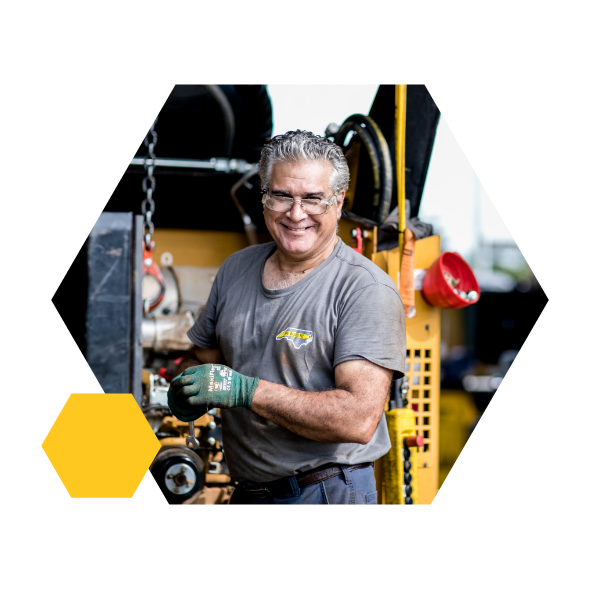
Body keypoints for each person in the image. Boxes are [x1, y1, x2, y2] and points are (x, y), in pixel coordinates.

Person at [168, 130, 406, 505]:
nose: (296, 214)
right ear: (264, 196)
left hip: (327, 491)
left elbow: (358, 419)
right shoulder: (236, 269)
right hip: (249, 492)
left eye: (313, 198)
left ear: (338, 201)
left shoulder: (364, 289)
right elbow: (204, 360)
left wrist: (245, 391)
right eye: (282, 196)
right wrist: (187, 386)